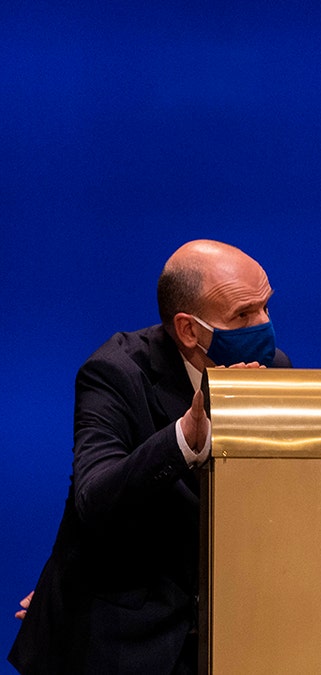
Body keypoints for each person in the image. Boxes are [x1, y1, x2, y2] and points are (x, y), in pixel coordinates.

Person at [8, 240, 288, 674]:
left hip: (228, 634)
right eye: (243, 315)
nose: (264, 325)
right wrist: (185, 438)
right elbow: (95, 496)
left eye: (266, 307)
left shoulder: (275, 372)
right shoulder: (115, 372)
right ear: (189, 329)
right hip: (119, 639)